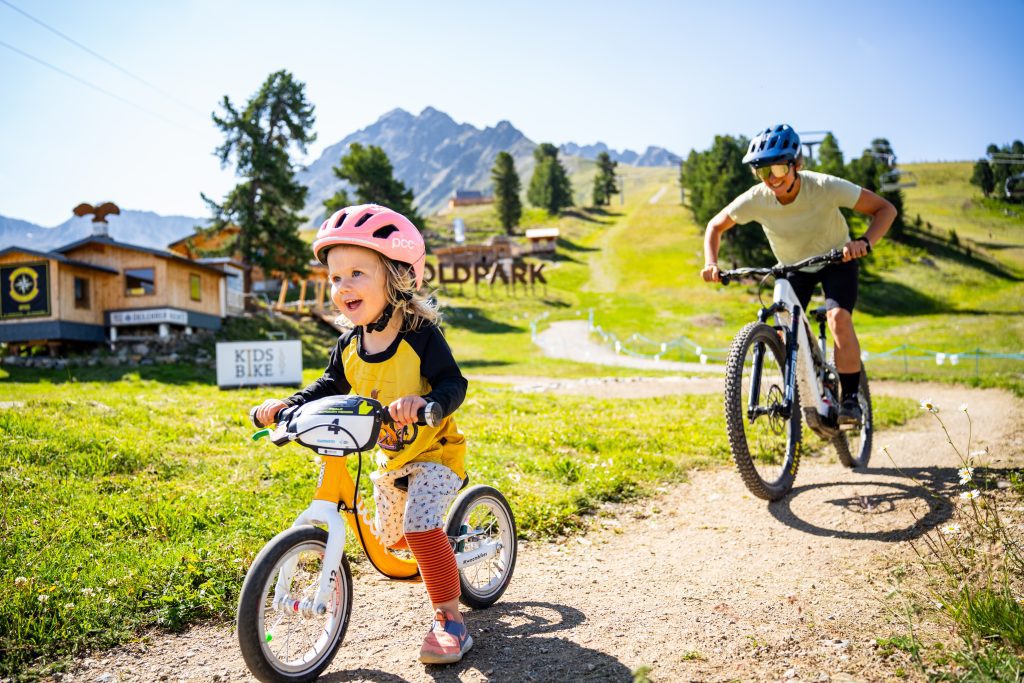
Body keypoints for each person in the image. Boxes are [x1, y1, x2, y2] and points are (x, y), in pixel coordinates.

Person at [252, 204, 472, 665]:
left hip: (435, 451)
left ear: (395, 278)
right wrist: (289, 405)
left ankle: (450, 619)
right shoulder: (350, 343)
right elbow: (329, 385)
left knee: (420, 528)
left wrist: (427, 405)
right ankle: (443, 555)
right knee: (395, 543)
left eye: (356, 273)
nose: (342, 286)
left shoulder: (420, 334)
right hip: (389, 459)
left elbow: (454, 383)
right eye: (334, 278)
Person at [700, 124, 897, 423]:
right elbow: (715, 226)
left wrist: (864, 242)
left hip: (837, 261)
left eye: (778, 169)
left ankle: (849, 400)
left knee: (838, 318)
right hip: (794, 268)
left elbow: (885, 209)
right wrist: (711, 262)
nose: (772, 180)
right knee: (781, 329)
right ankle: (804, 383)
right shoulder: (757, 198)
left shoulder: (824, 186)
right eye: (763, 172)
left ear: (797, 165)